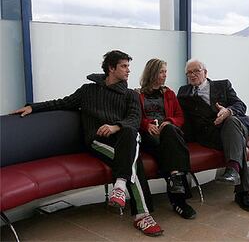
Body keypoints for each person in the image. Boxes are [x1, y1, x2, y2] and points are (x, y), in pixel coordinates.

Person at [12, 50, 163, 236]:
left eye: (128, 66)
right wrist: (33, 107)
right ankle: (142, 215)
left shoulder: (130, 94)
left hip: (123, 138)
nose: (128, 70)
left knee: (131, 135)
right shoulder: (88, 90)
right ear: (111, 68)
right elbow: (61, 103)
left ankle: (120, 186)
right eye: (124, 66)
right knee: (132, 161)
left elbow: (133, 119)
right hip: (98, 141)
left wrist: (116, 126)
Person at [177, 59, 249, 212]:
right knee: (237, 143)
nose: (193, 75)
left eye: (197, 71)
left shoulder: (223, 85)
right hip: (211, 134)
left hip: (236, 127)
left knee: (231, 121)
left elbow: (241, 105)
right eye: (189, 72)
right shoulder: (183, 92)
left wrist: (227, 111)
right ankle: (242, 193)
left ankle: (234, 172)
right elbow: (181, 117)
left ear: (205, 72)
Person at [137, 58, 196, 219]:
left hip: (168, 134)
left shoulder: (169, 93)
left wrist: (169, 121)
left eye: (165, 72)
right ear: (153, 73)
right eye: (162, 71)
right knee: (173, 148)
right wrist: (147, 125)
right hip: (148, 136)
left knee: (170, 132)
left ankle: (175, 179)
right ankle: (179, 201)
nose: (165, 75)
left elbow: (179, 117)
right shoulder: (137, 94)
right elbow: (135, 117)